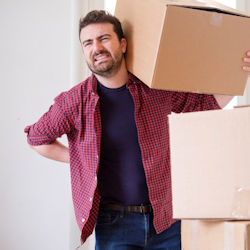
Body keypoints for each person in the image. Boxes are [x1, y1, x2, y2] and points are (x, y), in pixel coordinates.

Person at [25, 10, 250, 250]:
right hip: (114, 223)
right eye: (88, 43)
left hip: (166, 221)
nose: (97, 48)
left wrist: (242, 72)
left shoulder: (155, 89)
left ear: (122, 44)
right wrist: (82, 160)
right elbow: (37, 138)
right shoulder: (73, 102)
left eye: (104, 38)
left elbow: (206, 104)